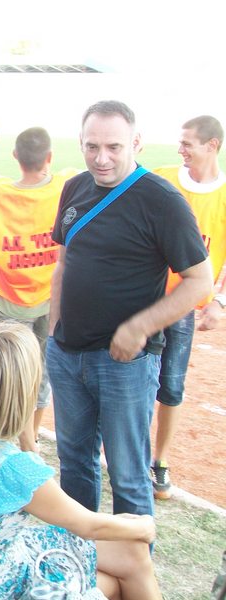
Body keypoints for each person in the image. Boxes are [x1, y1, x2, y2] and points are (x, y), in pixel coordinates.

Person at [46, 100, 212, 518]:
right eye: (92, 146)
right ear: (80, 143)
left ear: (136, 142)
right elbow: (64, 263)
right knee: (74, 464)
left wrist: (140, 327)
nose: (101, 158)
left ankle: (134, 560)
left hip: (124, 365)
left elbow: (200, 280)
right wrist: (53, 333)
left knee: (128, 476)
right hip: (67, 355)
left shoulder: (162, 200)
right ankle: (79, 553)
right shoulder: (75, 187)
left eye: (114, 147)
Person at [0, 323, 161, 599]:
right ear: (24, 394)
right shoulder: (13, 471)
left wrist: (26, 439)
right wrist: (144, 526)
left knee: (131, 552)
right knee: (119, 574)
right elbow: (88, 525)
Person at [0, 125, 78, 452]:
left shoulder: (0, 191)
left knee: (9, 371)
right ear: (49, 157)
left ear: (15, 157)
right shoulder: (64, 185)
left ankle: (13, 440)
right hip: (52, 300)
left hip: (10, 300)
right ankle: (30, 438)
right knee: (41, 372)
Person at [150, 115, 226, 499]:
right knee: (133, 378)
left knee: (172, 386)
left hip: (183, 310)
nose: (180, 150)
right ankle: (128, 450)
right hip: (146, 300)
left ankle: (160, 461)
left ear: (212, 146)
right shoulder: (162, 178)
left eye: (187, 144)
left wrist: (219, 302)